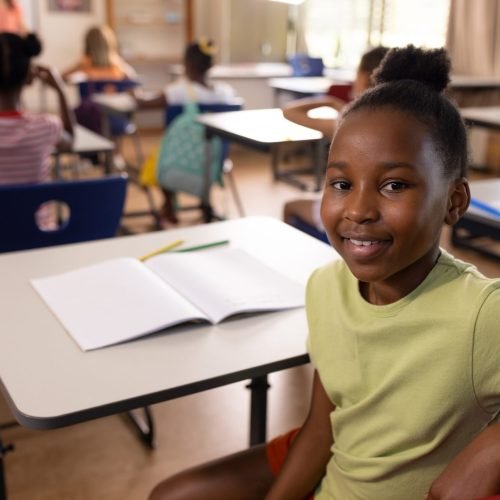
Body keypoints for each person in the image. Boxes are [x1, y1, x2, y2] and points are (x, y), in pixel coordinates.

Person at [147, 45, 500, 500]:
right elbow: (321, 429)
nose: (357, 210)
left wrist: (491, 449)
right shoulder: (326, 287)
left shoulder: (479, 314)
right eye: (341, 184)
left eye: (394, 185)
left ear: (454, 202)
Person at [282, 46, 389, 234]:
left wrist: (329, 102)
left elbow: (289, 112)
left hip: (347, 213)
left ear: (364, 78)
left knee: (289, 207)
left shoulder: (346, 122)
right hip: (385, 213)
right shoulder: (403, 125)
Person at [133, 38, 237, 225]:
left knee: (158, 156)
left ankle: (168, 204)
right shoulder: (225, 93)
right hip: (214, 159)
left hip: (178, 157)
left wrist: (134, 94)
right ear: (210, 65)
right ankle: (205, 201)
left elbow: (144, 103)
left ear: (186, 63)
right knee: (201, 151)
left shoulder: (179, 91)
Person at [0, 32, 75, 228]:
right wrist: (61, 90)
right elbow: (70, 140)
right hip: (38, 235)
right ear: (30, 77)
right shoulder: (45, 126)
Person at [62, 25, 136, 82]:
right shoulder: (117, 63)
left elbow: (62, 77)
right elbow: (133, 78)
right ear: (110, 44)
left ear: (88, 44)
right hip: (116, 100)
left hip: (90, 100)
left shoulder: (84, 63)